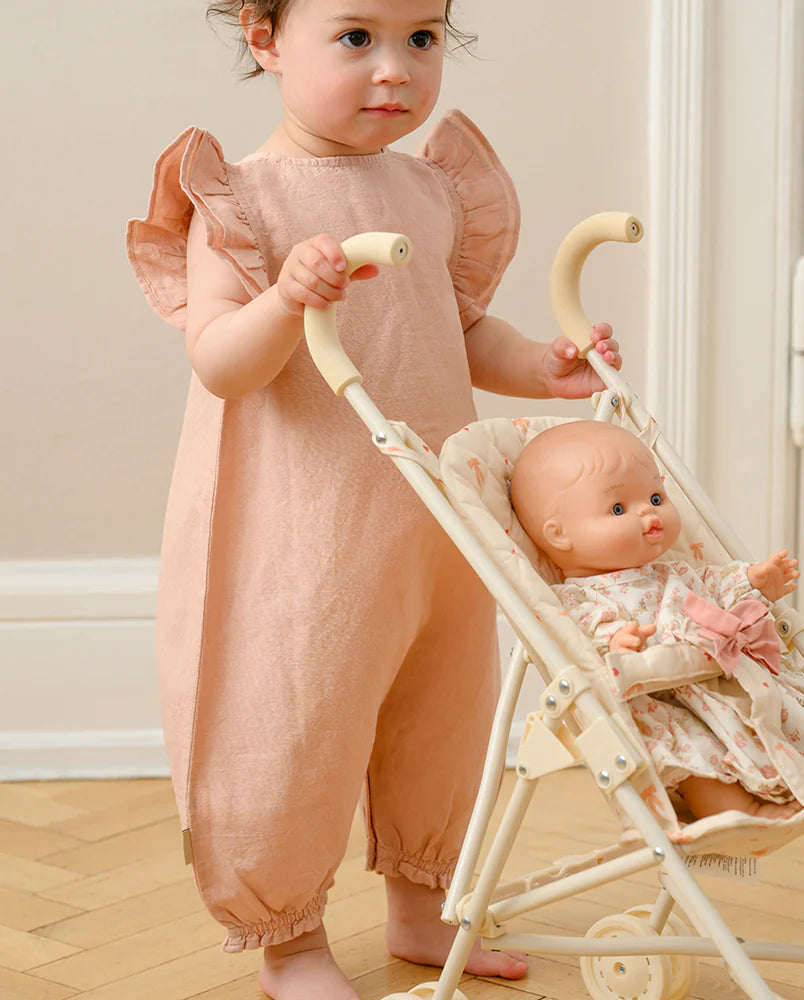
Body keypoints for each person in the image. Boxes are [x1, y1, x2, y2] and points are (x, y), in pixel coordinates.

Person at [125, 3, 622, 998]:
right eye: (356, 37)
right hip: (303, 531)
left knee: (444, 717)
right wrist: (285, 299)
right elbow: (220, 361)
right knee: (295, 722)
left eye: (421, 39)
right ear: (265, 39)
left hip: (434, 523)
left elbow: (456, 329)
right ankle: (291, 943)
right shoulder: (243, 201)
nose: (395, 68)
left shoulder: (427, 192)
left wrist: (541, 365)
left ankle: (424, 905)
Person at [509, 420, 804, 824]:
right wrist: (615, 644)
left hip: (721, 689)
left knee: (771, 712)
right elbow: (579, 637)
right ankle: (743, 811)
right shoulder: (577, 599)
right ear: (559, 535)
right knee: (695, 755)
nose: (649, 512)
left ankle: (801, 778)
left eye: (656, 497)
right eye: (619, 508)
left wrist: (754, 581)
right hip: (662, 704)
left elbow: (716, 588)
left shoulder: (675, 571)